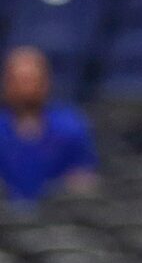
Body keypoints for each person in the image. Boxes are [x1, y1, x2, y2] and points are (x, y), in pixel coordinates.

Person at [0, 45, 96, 203]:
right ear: (7, 84)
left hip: (58, 218)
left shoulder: (71, 126)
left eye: (31, 80)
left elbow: (84, 175)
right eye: (19, 81)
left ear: (46, 82)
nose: (26, 88)